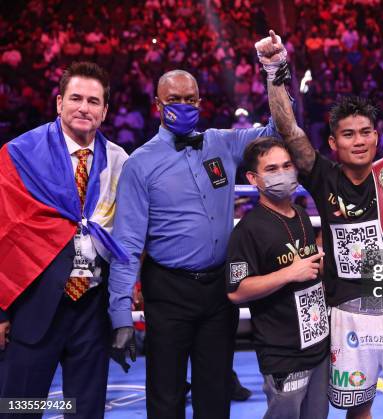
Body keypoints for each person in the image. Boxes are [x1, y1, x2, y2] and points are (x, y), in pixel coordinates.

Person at [255, 19, 383, 418]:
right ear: (334, 142)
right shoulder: (323, 176)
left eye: (366, 132)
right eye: (348, 134)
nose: (359, 140)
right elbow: (287, 127)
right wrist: (273, 73)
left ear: (377, 135)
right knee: (358, 411)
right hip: (349, 311)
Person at [107, 69, 278, 419]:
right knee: (166, 396)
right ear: (158, 105)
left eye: (190, 99)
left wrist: (275, 76)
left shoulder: (221, 142)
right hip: (168, 291)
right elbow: (126, 243)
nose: (183, 106)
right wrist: (120, 313)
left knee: (215, 395)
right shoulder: (140, 164)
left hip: (220, 289)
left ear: (200, 102)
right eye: (174, 100)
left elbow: (279, 132)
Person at [0, 62, 128, 419]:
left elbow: (128, 240)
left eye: (93, 100)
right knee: (19, 410)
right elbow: (1, 234)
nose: (83, 108)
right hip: (33, 310)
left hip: (92, 311)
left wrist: (120, 315)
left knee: (85, 412)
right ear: (58, 103)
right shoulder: (20, 154)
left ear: (104, 111)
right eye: (75, 98)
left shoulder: (119, 161)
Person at [226, 137, 328, 419]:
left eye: (286, 165)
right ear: (253, 178)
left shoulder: (301, 214)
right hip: (283, 352)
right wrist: (288, 274)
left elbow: (307, 268)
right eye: (272, 169)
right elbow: (236, 291)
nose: (282, 173)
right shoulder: (248, 230)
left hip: (318, 344)